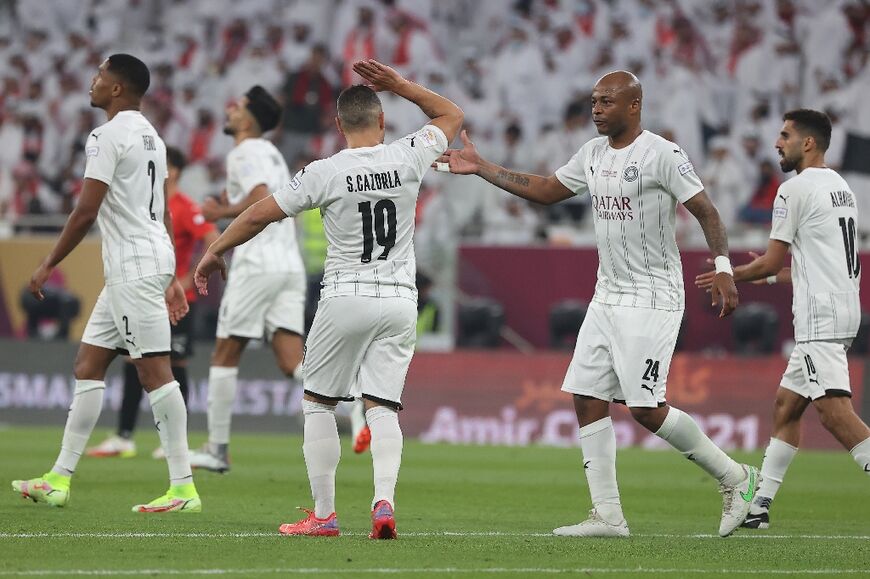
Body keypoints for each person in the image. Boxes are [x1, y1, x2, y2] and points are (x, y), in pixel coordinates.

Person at [437, 70, 759, 538]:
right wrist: (483, 167)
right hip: (607, 293)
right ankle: (608, 515)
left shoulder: (662, 154)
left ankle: (736, 477)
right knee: (588, 399)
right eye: (594, 101)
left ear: (634, 106)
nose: (597, 109)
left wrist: (726, 268)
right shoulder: (591, 154)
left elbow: (706, 210)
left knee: (646, 408)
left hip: (653, 295)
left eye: (607, 101)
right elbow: (547, 191)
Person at [194, 59, 463, 538]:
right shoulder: (409, 155)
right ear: (382, 120)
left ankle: (324, 515)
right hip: (401, 299)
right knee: (383, 407)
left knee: (318, 401)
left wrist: (216, 247)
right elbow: (451, 116)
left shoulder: (324, 172)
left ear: (338, 126)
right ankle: (384, 503)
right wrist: (400, 85)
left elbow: (259, 214)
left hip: (345, 296)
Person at [11, 54, 200, 513]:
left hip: (134, 265)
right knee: (88, 364)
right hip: (142, 263)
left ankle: (183, 488)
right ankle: (58, 479)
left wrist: (47, 262)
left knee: (155, 370)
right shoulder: (153, 136)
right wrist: (171, 273)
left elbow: (85, 211)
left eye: (100, 76)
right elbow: (163, 211)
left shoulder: (106, 135)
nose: (92, 82)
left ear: (117, 89)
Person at [696, 109, 870, 530]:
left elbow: (774, 256)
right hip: (843, 305)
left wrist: (729, 272)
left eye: (785, 135)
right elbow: (807, 264)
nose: (778, 142)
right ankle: (758, 507)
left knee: (833, 414)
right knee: (786, 407)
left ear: (807, 143)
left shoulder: (794, 189)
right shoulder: (841, 188)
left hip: (819, 318)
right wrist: (770, 274)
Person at [188, 86, 307, 474]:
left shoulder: (245, 151)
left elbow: (259, 198)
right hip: (289, 262)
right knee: (292, 362)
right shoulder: (273, 154)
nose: (231, 109)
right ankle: (354, 402)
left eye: (237, 107)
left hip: (257, 262)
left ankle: (218, 449)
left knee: (225, 353)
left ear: (251, 119)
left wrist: (220, 210)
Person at [87, 146, 218, 459]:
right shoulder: (149, 203)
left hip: (177, 300)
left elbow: (213, 237)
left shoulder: (185, 207)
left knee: (176, 364)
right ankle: (124, 436)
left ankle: (175, 442)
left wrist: (188, 278)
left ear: (169, 169)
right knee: (134, 362)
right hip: (144, 295)